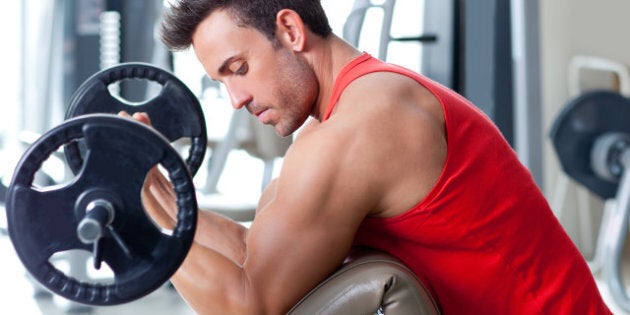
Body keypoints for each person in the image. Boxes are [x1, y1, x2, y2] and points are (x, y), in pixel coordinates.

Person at [136, 0, 612, 313]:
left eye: (238, 69)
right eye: (222, 83)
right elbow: (255, 256)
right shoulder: (347, 114)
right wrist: (154, 195)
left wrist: (130, 217)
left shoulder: (361, 128)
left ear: (290, 29)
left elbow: (249, 305)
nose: (236, 98)